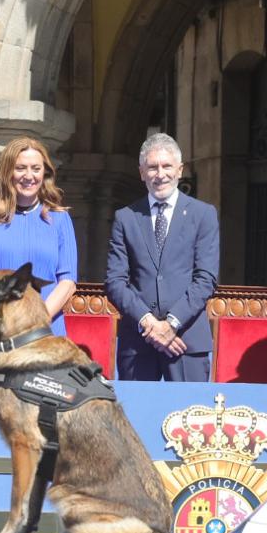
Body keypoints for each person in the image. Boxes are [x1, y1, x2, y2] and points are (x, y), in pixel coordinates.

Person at [105, 133, 219, 381]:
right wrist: (149, 324)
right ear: (141, 172)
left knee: (189, 417)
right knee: (136, 419)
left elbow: (206, 278)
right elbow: (115, 281)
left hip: (185, 341)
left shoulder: (203, 215)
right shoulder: (125, 217)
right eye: (152, 167)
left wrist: (171, 324)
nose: (160, 174)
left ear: (179, 170)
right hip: (138, 342)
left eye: (167, 166)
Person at [0, 137, 78, 373]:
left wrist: (35, 319)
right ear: (8, 172)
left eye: (36, 168)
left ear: (45, 173)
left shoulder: (60, 220)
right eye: (20, 168)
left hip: (44, 332)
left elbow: (68, 280)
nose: (29, 176)